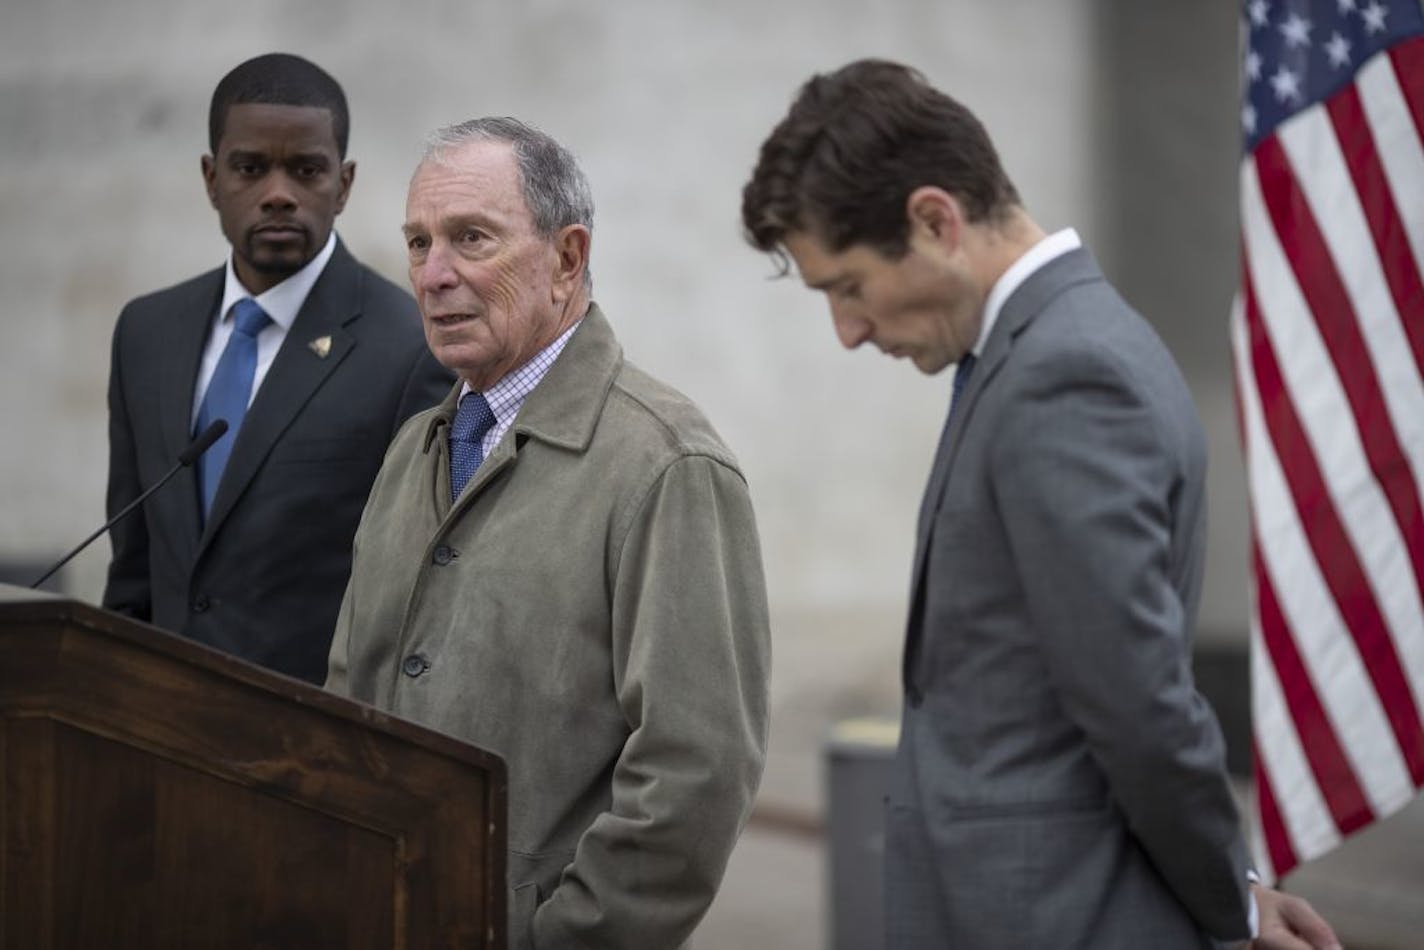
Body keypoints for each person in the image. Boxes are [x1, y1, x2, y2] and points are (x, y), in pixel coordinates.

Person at [742, 59, 1340, 950]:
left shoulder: (1066, 375)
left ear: (935, 221)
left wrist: (1236, 899)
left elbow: (1135, 699)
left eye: (849, 286)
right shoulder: (1033, 355)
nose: (849, 331)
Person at [324, 117, 771, 950]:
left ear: (567, 258)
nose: (434, 275)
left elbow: (694, 773)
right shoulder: (412, 451)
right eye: (419, 243)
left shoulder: (666, 463)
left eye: (471, 239)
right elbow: (349, 701)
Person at [104, 53, 451, 683]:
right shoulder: (145, 333)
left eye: (306, 170)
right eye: (251, 168)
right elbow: (134, 566)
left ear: (342, 185)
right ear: (212, 178)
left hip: (309, 742)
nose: (279, 195)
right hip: (156, 731)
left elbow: (418, 596)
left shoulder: (409, 348)